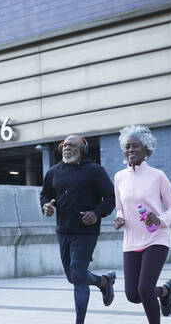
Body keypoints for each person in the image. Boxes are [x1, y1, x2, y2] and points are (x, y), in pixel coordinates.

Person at [40, 135, 116, 324]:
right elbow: (45, 196)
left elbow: (110, 198)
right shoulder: (53, 172)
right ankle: (103, 282)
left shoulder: (94, 170)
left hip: (86, 231)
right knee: (73, 277)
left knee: (77, 272)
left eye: (72, 146)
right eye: (64, 145)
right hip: (63, 231)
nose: (67, 148)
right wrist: (46, 207)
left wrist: (96, 213)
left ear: (83, 150)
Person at [113, 125, 171, 324]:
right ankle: (165, 292)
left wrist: (160, 219)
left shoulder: (157, 175)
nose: (130, 150)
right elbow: (120, 207)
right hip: (131, 240)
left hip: (156, 238)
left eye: (135, 146)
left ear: (146, 149)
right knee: (133, 295)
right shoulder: (119, 177)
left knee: (144, 289)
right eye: (127, 147)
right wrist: (119, 218)